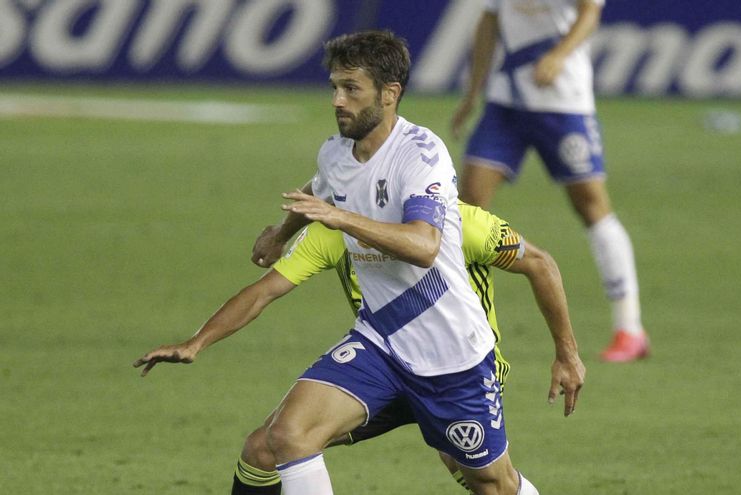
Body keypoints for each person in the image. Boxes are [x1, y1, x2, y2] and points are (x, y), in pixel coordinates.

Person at [136, 31, 583, 495]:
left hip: (452, 358)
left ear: (389, 95)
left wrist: (340, 217)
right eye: (335, 87)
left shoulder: (421, 154)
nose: (337, 100)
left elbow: (424, 245)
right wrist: (281, 233)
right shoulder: (336, 153)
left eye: (352, 89)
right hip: (382, 345)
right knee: (286, 436)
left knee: (493, 485)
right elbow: (321, 186)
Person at [166, 202, 573, 494]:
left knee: (488, 483)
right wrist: (197, 342)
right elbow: (264, 291)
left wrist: (567, 354)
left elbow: (539, 263)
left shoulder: (459, 222)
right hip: (382, 362)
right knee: (268, 445)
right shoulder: (335, 231)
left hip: (455, 370)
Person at [450, 0, 649, 362]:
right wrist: (473, 91)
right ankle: (458, 321)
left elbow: (590, 11)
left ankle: (629, 328)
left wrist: (559, 55)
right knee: (466, 209)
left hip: (564, 102)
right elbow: (489, 20)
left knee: (591, 206)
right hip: (505, 102)